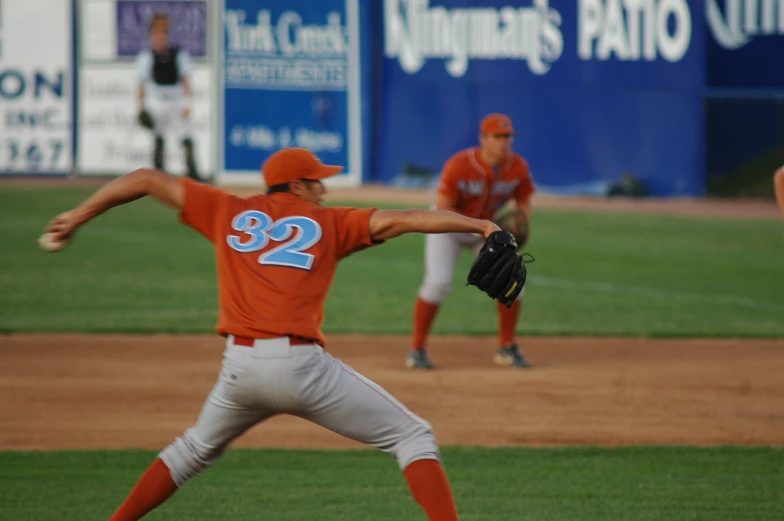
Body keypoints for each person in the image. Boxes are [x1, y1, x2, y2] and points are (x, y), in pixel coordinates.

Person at [42, 147, 505, 521]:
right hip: (303, 369)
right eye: (317, 179)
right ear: (298, 185)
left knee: (190, 451)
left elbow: (144, 178)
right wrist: (480, 224)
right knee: (414, 437)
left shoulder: (226, 210)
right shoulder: (330, 222)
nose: (323, 188)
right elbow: (406, 219)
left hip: (239, 371)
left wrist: (78, 215)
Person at [407, 113, 536, 370]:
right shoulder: (459, 165)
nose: (504, 142)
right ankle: (417, 350)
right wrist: (478, 228)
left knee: (512, 282)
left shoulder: (517, 166)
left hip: (486, 229)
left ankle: (507, 347)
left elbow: (524, 200)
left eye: (507, 136)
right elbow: (443, 209)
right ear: (483, 139)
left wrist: (520, 221)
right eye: (498, 137)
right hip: (447, 226)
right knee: (437, 283)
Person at [136, 12, 201, 181]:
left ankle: (193, 175)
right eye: (157, 32)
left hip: (176, 101)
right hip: (157, 102)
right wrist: (141, 108)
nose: (160, 36)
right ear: (152, 35)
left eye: (164, 32)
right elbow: (141, 84)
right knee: (158, 136)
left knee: (185, 135)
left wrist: (188, 103)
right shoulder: (146, 56)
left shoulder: (178, 54)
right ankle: (158, 175)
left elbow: (186, 80)